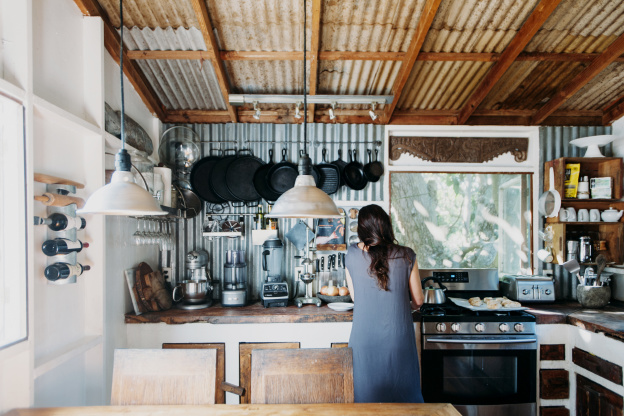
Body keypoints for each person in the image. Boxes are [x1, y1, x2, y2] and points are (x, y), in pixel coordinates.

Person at [345, 204, 425, 403]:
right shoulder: (407, 255)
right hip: (398, 340)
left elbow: (356, 298)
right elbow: (418, 301)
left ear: (361, 229)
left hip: (364, 341)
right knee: (403, 400)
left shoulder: (351, 254)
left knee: (365, 398)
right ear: (387, 226)